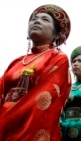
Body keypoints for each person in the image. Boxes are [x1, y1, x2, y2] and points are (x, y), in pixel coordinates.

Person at [0, 4, 71, 140]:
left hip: (28, 126)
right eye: (34, 19)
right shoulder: (17, 62)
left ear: (56, 34)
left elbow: (44, 97)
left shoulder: (57, 58)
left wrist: (6, 121)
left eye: (45, 19)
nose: (36, 21)